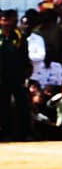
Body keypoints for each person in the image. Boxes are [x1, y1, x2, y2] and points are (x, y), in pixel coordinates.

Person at [0, 9, 31, 141]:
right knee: (3, 105)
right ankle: (5, 132)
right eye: (4, 19)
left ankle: (24, 133)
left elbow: (25, 57)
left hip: (16, 76)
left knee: (22, 104)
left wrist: (26, 73)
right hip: (1, 77)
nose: (6, 22)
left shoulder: (19, 37)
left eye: (10, 19)